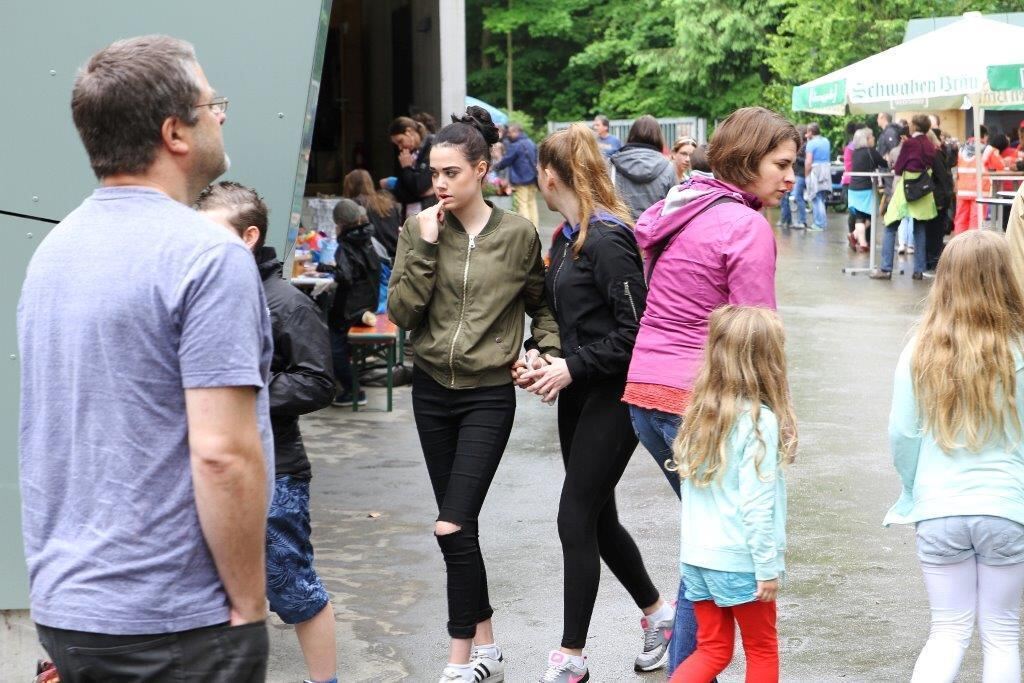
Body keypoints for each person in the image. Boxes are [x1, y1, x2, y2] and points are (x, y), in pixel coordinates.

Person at [18, 36, 273, 679]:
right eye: (212, 104)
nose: (221, 114)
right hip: (174, 621)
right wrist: (248, 604)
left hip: (68, 609)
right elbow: (223, 454)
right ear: (174, 133)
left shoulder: (54, 252)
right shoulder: (209, 258)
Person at [387, 105, 560, 683]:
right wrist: (429, 248)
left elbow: (542, 306)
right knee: (458, 527)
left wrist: (545, 350)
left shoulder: (517, 235)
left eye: (450, 173)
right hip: (431, 390)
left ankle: (461, 659)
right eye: (433, 174)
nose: (438, 184)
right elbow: (403, 312)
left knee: (451, 526)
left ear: (482, 170)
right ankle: (487, 645)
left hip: (489, 394)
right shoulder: (418, 229)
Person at [625, 105, 797, 675]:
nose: (790, 177)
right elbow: (758, 335)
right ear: (748, 160)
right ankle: (687, 668)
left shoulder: (688, 205)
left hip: (647, 395)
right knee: (721, 549)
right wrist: (778, 415)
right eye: (781, 164)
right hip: (696, 398)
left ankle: (688, 666)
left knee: (705, 544)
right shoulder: (745, 226)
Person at [519, 123, 673, 682]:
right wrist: (542, 356)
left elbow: (639, 331)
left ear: (548, 174)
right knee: (599, 518)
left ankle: (572, 658)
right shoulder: (566, 237)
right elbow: (569, 322)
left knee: (574, 516)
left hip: (613, 396)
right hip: (577, 395)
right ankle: (660, 616)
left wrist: (573, 366)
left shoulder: (608, 239)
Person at [197, 181, 338, 683]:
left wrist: (241, 396)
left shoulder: (284, 302)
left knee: (295, 590)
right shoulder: (213, 291)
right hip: (219, 470)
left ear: (250, 236)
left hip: (277, 472)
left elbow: (321, 382)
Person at [883, 230, 1024, 682]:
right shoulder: (1019, 350)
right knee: (1001, 633)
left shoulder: (919, 351)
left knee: (947, 631)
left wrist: (914, 490)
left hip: (939, 506)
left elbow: (902, 434)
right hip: (1006, 508)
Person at [668, 305, 797, 683]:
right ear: (769, 360)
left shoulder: (699, 415)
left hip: (698, 559)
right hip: (741, 561)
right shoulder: (759, 421)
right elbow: (757, 505)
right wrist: (767, 566)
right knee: (761, 649)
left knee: (713, 650)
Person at [321, 199, 382, 407]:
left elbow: (345, 276)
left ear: (339, 223)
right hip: (367, 304)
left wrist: (327, 270)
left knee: (331, 344)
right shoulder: (366, 239)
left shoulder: (346, 244)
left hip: (350, 310)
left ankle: (353, 390)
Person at [871, 115, 937, 281]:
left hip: (906, 189)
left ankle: (886, 268)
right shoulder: (930, 144)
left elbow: (899, 167)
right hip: (924, 191)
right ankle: (919, 270)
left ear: (914, 126)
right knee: (920, 229)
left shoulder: (909, 144)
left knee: (891, 224)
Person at [610, 115, 678, 219]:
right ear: (659, 136)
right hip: (655, 232)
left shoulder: (612, 165)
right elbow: (674, 209)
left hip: (621, 231)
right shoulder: (668, 168)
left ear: (631, 134)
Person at [954, 125, 1004, 234]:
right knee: (975, 222)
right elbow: (1001, 165)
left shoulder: (962, 148)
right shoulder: (988, 149)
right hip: (979, 192)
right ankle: (973, 249)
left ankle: (958, 247)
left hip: (962, 191)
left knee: (960, 221)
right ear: (985, 136)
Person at [343, 169, 401, 258]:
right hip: (394, 256)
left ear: (350, 187)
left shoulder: (354, 205)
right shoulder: (389, 203)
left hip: (373, 259)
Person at [847, 127, 887, 252]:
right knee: (871, 215)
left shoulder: (855, 152)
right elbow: (884, 164)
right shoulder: (871, 151)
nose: (874, 139)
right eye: (872, 137)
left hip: (853, 188)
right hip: (865, 188)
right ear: (867, 139)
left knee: (859, 216)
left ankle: (862, 242)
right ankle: (855, 235)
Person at [387, 115, 437, 213]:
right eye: (397, 145)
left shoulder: (432, 146)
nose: (400, 148)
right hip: (411, 215)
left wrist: (406, 167)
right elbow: (399, 192)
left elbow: (419, 186)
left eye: (400, 141)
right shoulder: (412, 154)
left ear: (409, 132)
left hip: (428, 214)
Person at [493, 122, 539, 226]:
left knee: (522, 205)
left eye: (509, 132)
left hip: (520, 180)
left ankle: (527, 232)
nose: (508, 135)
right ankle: (535, 229)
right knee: (531, 204)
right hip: (533, 179)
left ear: (516, 132)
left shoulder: (515, 145)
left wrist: (495, 167)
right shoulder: (530, 142)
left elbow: (506, 161)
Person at [925, 129, 955, 274]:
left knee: (933, 230)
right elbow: (944, 178)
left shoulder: (934, 154)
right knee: (934, 230)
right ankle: (933, 260)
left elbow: (942, 177)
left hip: (936, 198)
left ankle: (933, 261)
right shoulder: (935, 154)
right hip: (938, 197)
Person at [804, 122, 831, 231]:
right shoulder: (826, 141)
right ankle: (822, 223)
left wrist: (806, 175)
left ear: (810, 132)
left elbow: (809, 161)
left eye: (807, 131)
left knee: (816, 198)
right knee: (821, 198)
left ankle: (819, 224)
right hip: (826, 171)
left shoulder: (811, 144)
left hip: (815, 171)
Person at [780, 125, 808, 229]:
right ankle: (786, 220)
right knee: (786, 198)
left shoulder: (806, 146)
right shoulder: (796, 146)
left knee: (796, 197)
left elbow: (807, 161)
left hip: (800, 175)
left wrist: (795, 159)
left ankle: (801, 221)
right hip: (796, 174)